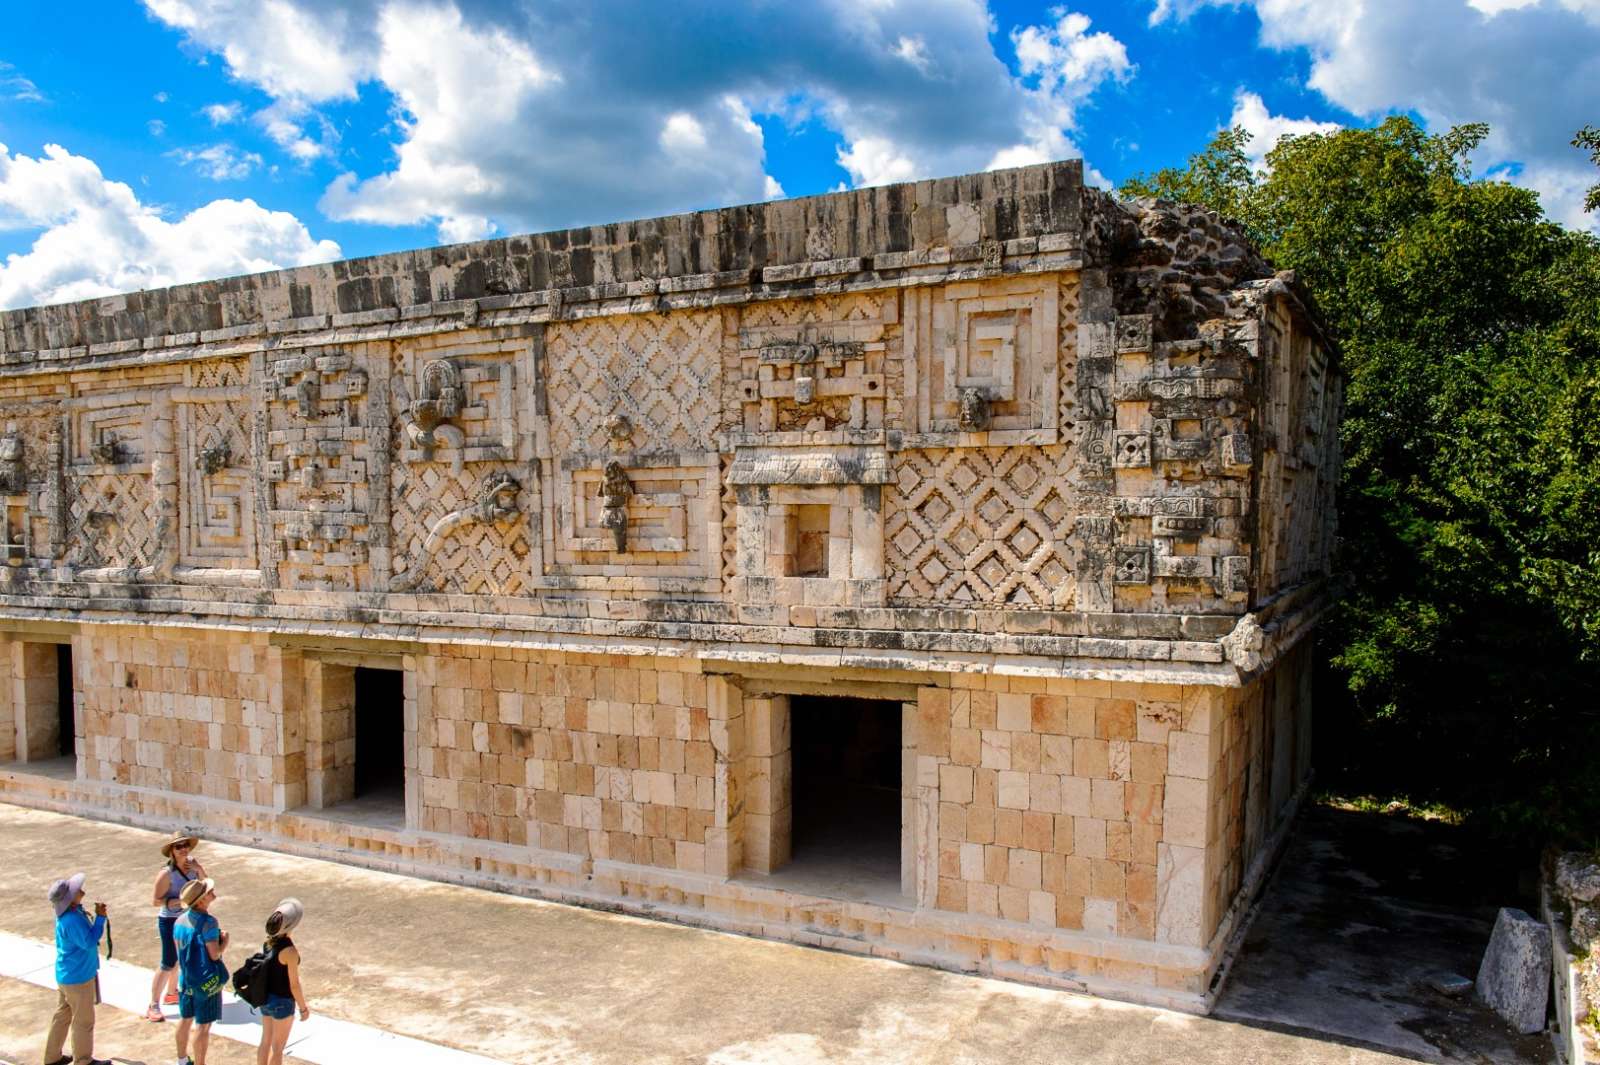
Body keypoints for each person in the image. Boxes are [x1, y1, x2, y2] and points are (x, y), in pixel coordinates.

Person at [43, 872, 112, 1065]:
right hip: (79, 978)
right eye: (76, 890)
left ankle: (52, 1058)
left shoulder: (70, 914)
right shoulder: (71, 920)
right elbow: (89, 941)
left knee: (62, 1016)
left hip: (67, 975)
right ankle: (83, 1061)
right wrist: (100, 919)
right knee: (83, 1021)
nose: (81, 890)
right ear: (69, 899)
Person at [147, 832, 206, 1022]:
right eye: (178, 846)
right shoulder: (166, 874)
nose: (183, 849)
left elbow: (206, 886)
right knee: (168, 961)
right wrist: (174, 902)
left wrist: (199, 868)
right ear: (171, 851)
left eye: (185, 845)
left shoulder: (192, 868)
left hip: (188, 919)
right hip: (170, 921)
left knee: (182, 959)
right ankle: (153, 1004)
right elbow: (155, 901)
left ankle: (172, 993)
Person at [172, 878, 228, 1065]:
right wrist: (224, 943)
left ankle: (181, 1060)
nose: (212, 892)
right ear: (202, 900)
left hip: (185, 980)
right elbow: (214, 954)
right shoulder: (209, 923)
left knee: (185, 1018)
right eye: (209, 891)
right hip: (205, 982)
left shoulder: (179, 921)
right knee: (203, 1026)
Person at [255, 898, 311, 1065]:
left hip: (266, 998)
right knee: (278, 1048)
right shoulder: (290, 951)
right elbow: (294, 985)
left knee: (265, 1041)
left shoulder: (267, 944)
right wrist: (303, 1008)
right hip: (282, 1001)